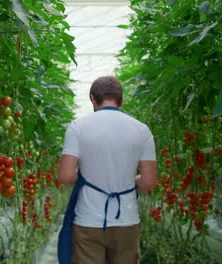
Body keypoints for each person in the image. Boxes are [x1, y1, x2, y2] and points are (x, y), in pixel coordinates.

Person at [57, 76, 157, 264]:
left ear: (93, 100)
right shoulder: (142, 130)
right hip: (127, 220)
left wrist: (90, 176)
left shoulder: (77, 127)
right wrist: (128, 179)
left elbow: (66, 176)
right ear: (121, 100)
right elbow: (149, 182)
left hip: (88, 220)